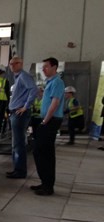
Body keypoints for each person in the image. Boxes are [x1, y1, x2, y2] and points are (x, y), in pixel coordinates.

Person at [31, 57, 65, 196]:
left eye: (46, 66)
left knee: (41, 151)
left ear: (54, 67)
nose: (43, 69)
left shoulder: (57, 82)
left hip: (50, 120)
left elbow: (55, 103)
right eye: (43, 67)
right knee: (43, 152)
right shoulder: (49, 82)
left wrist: (45, 121)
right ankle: (45, 182)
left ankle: (48, 186)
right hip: (47, 120)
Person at [5, 56, 38, 179]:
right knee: (16, 142)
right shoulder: (18, 77)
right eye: (10, 64)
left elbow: (33, 90)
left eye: (15, 63)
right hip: (16, 113)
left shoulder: (24, 76)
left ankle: (20, 170)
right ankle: (17, 169)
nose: (12, 66)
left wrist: (25, 106)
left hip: (20, 113)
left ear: (21, 64)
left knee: (18, 143)